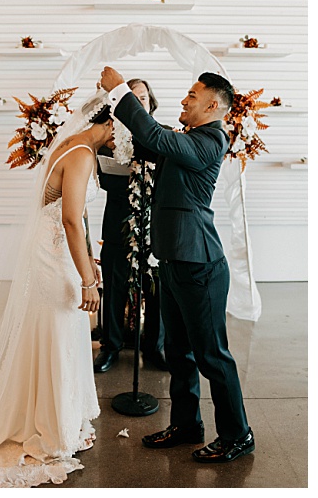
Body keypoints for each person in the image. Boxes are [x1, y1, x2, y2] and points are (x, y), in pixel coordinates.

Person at [0, 94, 116, 487]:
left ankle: (50, 413)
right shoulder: (82, 154)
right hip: (54, 255)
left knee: (57, 332)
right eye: (125, 133)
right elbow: (69, 220)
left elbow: (77, 215)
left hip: (57, 252)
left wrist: (86, 259)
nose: (124, 143)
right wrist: (88, 280)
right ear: (111, 124)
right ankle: (53, 426)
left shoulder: (74, 144)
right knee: (58, 331)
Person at [100, 66, 255, 464]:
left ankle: (238, 435)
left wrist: (120, 90)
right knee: (179, 353)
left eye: (191, 95)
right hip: (171, 260)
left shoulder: (211, 140)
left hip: (199, 265)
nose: (183, 100)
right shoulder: (188, 139)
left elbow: (152, 134)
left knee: (212, 356)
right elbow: (148, 141)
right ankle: (187, 425)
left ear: (211, 105)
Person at [94, 77, 167, 373]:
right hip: (116, 227)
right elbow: (105, 179)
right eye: (132, 98)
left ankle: (154, 348)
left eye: (143, 99)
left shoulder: (162, 136)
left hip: (156, 229)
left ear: (151, 105)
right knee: (114, 289)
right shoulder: (109, 136)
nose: (139, 103)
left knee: (157, 291)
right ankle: (110, 347)